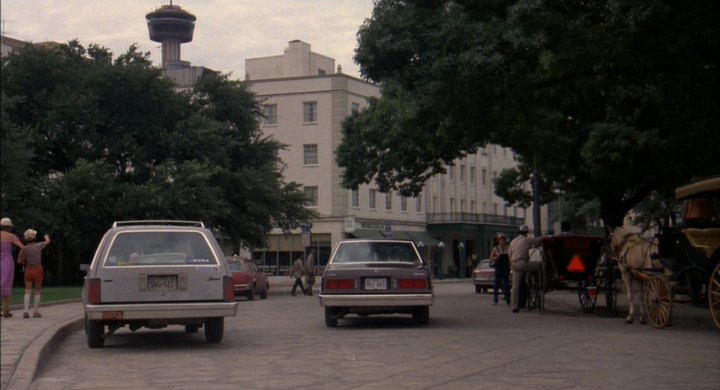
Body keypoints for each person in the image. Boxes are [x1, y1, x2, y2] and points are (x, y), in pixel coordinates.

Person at [17, 229, 51, 318]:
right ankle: (35, 312)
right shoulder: (39, 245)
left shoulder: (24, 248)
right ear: (34, 238)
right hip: (38, 269)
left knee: (28, 290)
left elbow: (19, 261)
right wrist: (46, 237)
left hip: (28, 270)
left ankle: (25, 311)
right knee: (37, 290)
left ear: (26, 239)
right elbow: (47, 242)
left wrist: (23, 256)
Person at [508, 224, 539, 313]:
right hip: (523, 263)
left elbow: (509, 254)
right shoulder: (527, 239)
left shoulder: (513, 241)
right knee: (539, 265)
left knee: (515, 286)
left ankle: (514, 306)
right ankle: (537, 282)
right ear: (526, 233)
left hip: (514, 264)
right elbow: (537, 243)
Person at [1, 218, 25, 318]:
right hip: (7, 261)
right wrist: (21, 257)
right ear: (10, 227)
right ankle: (6, 310)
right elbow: (23, 248)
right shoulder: (12, 236)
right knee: (7, 284)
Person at [489, 233, 510, 306]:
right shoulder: (496, 248)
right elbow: (491, 257)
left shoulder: (508, 247)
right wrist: (497, 257)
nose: (502, 241)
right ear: (498, 241)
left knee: (506, 284)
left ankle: (508, 300)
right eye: (500, 240)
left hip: (506, 267)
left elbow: (511, 256)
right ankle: (495, 300)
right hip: (498, 267)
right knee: (496, 284)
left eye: (503, 240)